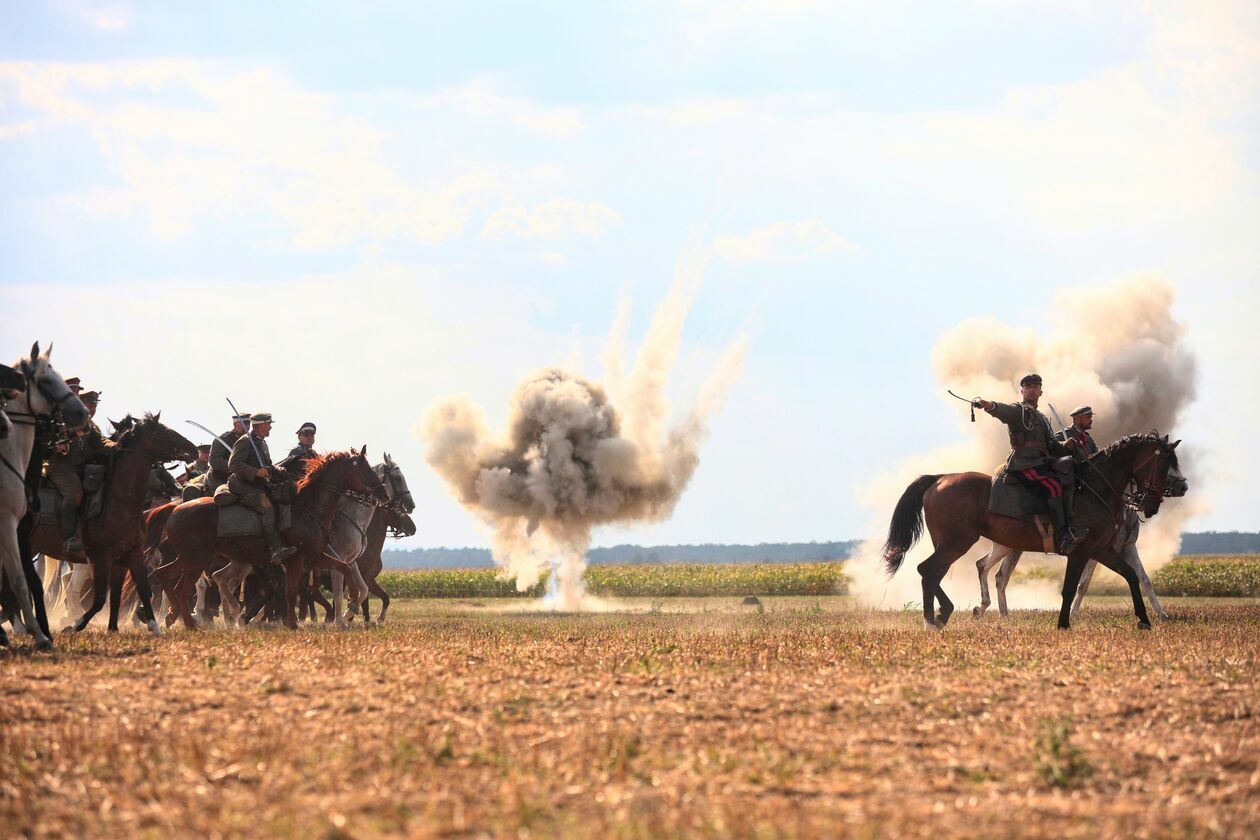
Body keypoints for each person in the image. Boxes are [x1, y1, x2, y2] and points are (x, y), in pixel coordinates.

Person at [974, 374, 1088, 554]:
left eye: (1036, 387)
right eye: (1029, 387)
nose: (1033, 389)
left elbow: (1052, 445)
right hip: (1024, 464)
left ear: (1040, 392)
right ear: (1023, 391)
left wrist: (1066, 445)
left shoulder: (1042, 418)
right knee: (1053, 486)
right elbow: (1002, 410)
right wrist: (989, 405)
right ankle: (1063, 535)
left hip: (1042, 463)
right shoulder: (1017, 411)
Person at [43, 389, 111, 553]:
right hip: (61, 467)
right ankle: (69, 538)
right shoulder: (64, 419)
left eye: (94, 405)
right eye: (89, 404)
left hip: (82, 469)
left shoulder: (91, 426)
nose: (92, 409)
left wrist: (118, 446)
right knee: (75, 492)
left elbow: (101, 444)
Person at [227, 412, 297, 563]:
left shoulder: (262, 442)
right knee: (266, 505)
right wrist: (256, 472)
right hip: (242, 485)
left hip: (257, 484)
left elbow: (266, 465)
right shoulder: (245, 441)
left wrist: (274, 470)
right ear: (261, 425)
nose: (270, 427)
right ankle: (274, 548)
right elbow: (233, 464)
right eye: (269, 424)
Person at [206, 413, 249, 497]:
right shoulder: (223, 439)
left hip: (241, 479)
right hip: (219, 478)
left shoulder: (249, 441)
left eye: (248, 423)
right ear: (235, 424)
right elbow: (214, 460)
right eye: (244, 423)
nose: (247, 427)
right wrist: (235, 466)